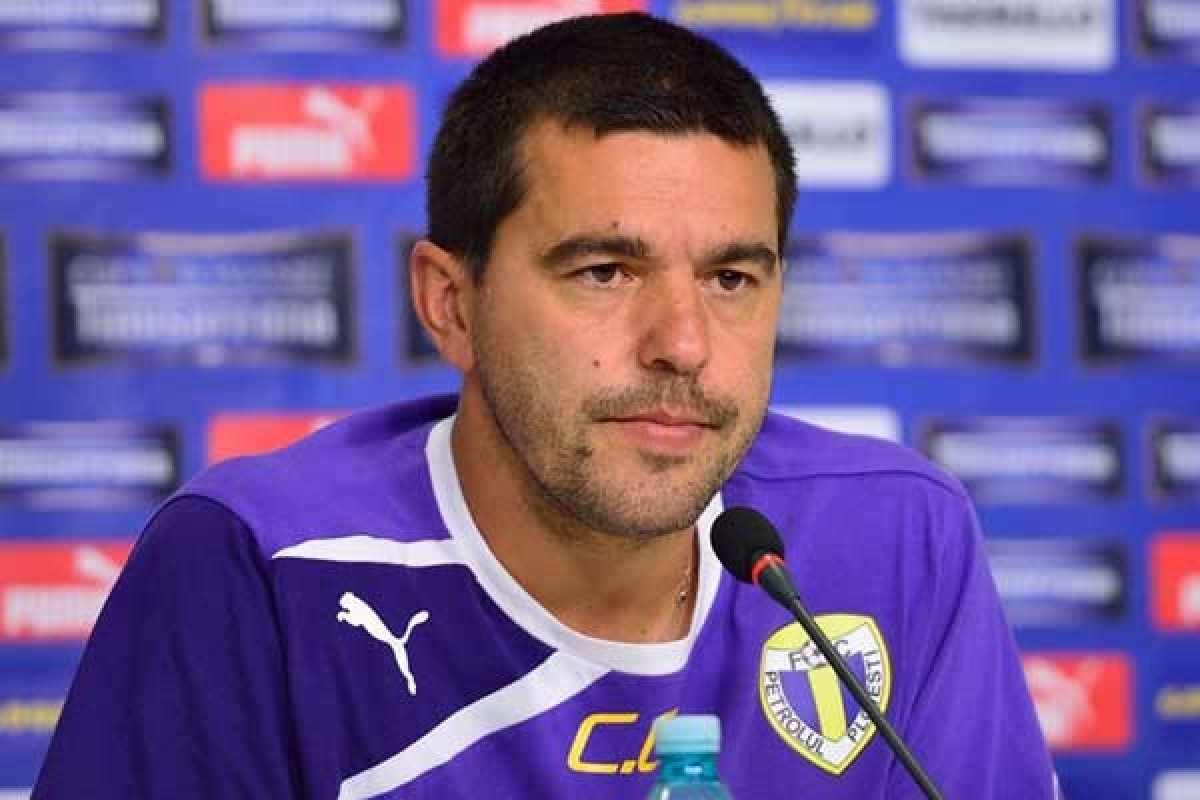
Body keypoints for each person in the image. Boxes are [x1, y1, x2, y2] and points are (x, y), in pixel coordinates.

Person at [33, 12, 1057, 800]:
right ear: (451, 303)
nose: (684, 343)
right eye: (606, 271)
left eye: (731, 279)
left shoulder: (901, 537)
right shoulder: (261, 564)